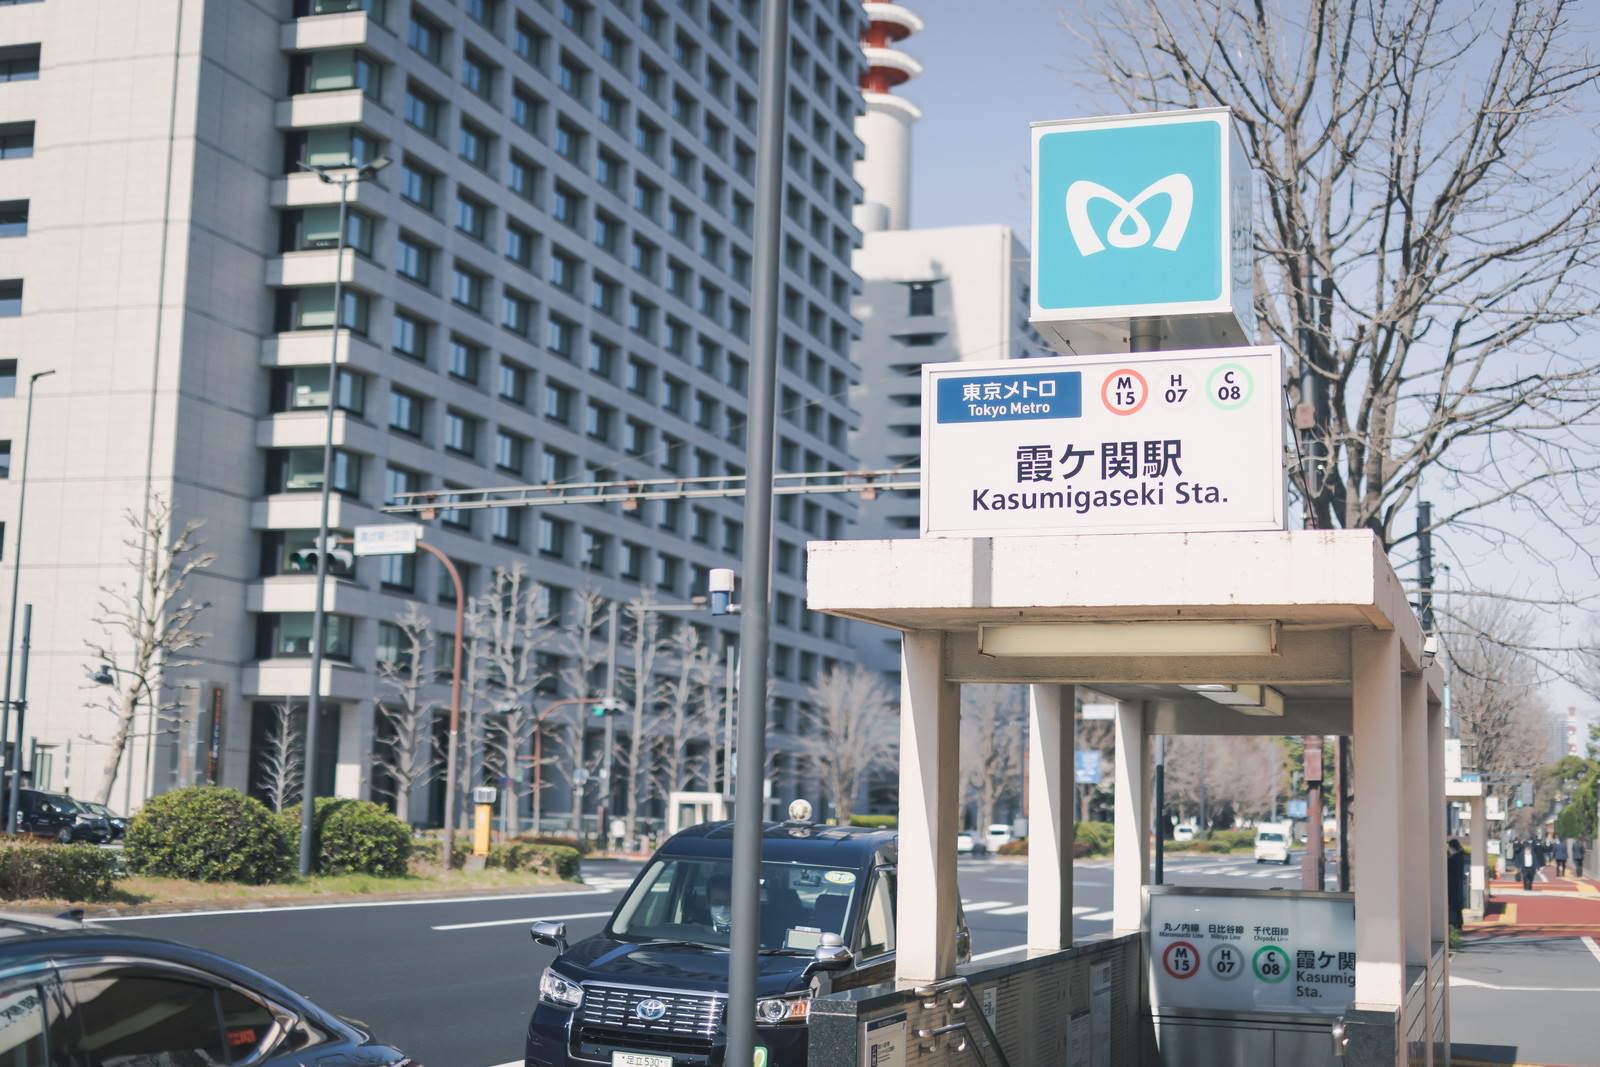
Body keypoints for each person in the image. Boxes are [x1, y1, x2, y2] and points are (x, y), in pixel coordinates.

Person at [1446, 839, 1467, 929]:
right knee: (1457, 906)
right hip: (1458, 884)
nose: (1448, 849)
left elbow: (1448, 867)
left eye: (1449, 847)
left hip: (1453, 884)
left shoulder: (1454, 858)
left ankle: (1455, 924)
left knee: (1453, 905)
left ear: (1452, 847)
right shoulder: (1460, 856)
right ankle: (1459, 923)